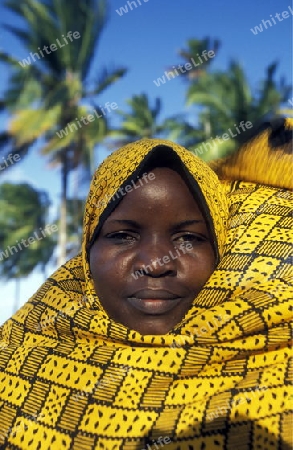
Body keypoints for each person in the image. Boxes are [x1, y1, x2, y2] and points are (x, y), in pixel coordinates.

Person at [0, 133, 292, 449]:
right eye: (123, 235)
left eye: (189, 238)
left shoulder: (271, 379)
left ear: (221, 251)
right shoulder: (17, 361)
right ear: (87, 252)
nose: (155, 263)